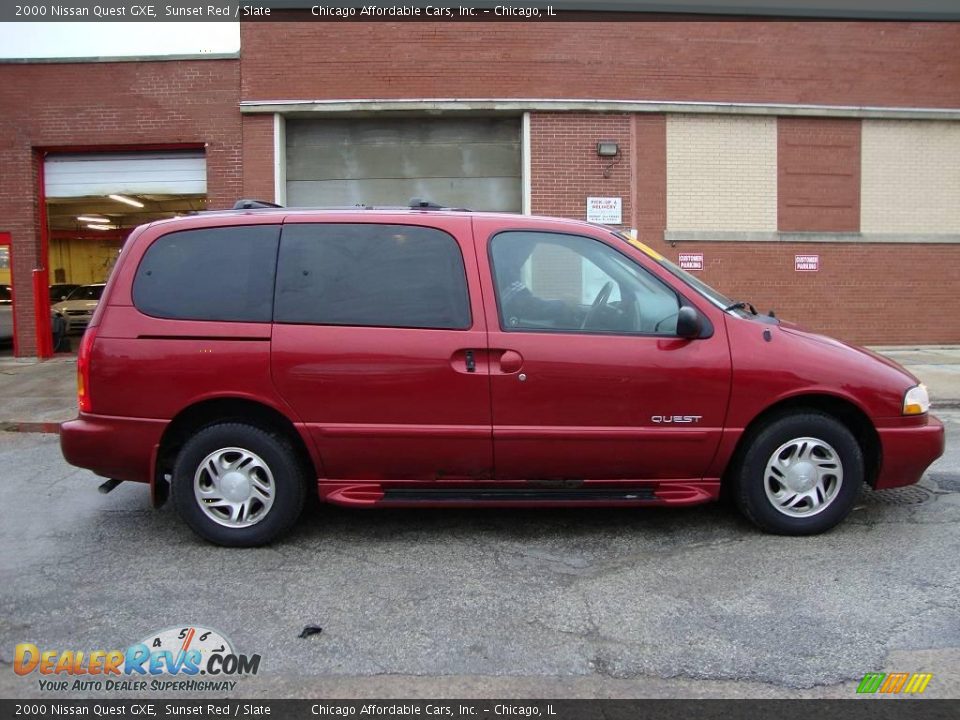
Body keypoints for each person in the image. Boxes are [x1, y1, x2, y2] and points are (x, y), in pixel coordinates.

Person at [494, 238, 576, 329]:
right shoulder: (504, 272)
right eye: (526, 252)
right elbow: (527, 305)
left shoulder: (502, 268)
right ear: (514, 251)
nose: (526, 257)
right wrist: (562, 305)